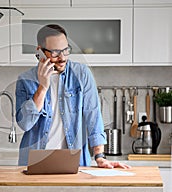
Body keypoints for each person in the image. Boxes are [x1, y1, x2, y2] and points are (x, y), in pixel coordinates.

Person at [15, 24, 130, 169]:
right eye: (55, 52)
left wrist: (99, 156)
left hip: (74, 163)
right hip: (34, 163)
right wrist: (43, 87)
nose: (63, 58)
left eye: (66, 50)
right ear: (41, 51)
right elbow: (25, 124)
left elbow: (93, 115)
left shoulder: (81, 74)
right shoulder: (25, 80)